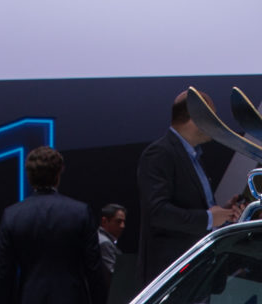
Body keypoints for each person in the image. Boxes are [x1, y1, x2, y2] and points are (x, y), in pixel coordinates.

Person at [0, 147, 107, 304]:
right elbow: (94, 271)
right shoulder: (80, 212)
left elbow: (4, 276)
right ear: (59, 172)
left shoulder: (12, 215)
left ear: (29, 176)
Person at [137, 94, 239, 284]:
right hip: (170, 276)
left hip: (196, 272)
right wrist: (208, 219)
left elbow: (191, 207)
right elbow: (157, 212)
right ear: (195, 116)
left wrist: (222, 213)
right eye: (212, 117)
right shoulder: (159, 153)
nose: (216, 124)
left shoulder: (193, 156)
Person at [95, 202, 127, 290]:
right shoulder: (104, 243)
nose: (122, 226)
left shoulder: (100, 239)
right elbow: (115, 275)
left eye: (123, 222)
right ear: (104, 221)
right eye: (118, 221)